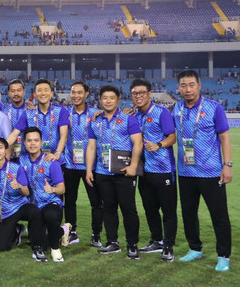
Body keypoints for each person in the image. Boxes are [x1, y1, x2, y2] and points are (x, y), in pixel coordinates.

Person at [173, 70, 232, 271]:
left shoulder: (214, 108)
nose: (187, 89)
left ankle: (223, 255)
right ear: (178, 88)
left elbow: (224, 138)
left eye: (191, 85)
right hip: (186, 172)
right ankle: (195, 249)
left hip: (211, 172)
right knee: (189, 213)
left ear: (199, 86)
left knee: (219, 215)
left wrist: (227, 165)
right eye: (183, 85)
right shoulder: (176, 108)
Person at [85, 85, 142, 259]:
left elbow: (137, 143)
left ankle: (132, 245)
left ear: (118, 100)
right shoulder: (95, 120)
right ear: (100, 101)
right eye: (104, 98)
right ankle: (113, 242)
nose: (108, 101)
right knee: (108, 208)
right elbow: (91, 147)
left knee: (128, 209)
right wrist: (89, 170)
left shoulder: (128, 119)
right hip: (103, 171)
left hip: (124, 171)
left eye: (112, 98)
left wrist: (133, 166)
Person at [130, 78, 177, 262]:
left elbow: (172, 137)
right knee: (150, 209)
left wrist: (159, 144)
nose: (138, 96)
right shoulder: (134, 115)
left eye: (142, 93)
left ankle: (168, 246)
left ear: (149, 94)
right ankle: (156, 240)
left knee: (168, 211)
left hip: (163, 169)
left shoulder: (161, 113)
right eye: (135, 93)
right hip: (145, 171)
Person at [0, 137, 47, 261]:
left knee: (35, 212)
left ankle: (37, 244)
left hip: (20, 204)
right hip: (6, 210)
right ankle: (17, 230)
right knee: (2, 247)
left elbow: (26, 192)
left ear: (6, 150)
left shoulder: (16, 168)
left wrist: (20, 186)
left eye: (1, 148)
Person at [19, 127, 69, 263]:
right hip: (32, 204)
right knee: (37, 239)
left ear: (42, 143)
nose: (32, 143)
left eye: (36, 140)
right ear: (24, 143)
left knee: (50, 215)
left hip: (49, 202)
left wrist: (52, 189)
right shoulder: (21, 160)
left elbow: (62, 188)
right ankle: (61, 231)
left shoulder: (51, 162)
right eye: (29, 141)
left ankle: (55, 248)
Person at [62, 81, 103, 247]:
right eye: (73, 92)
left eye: (80, 92)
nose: (76, 95)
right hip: (70, 164)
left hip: (90, 166)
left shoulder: (95, 113)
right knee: (70, 201)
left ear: (87, 94)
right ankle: (72, 232)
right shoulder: (64, 113)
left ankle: (96, 234)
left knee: (96, 202)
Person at [6, 78, 28, 159]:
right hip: (8, 153)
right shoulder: (3, 110)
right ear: (8, 93)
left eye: (19, 90)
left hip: (27, 155)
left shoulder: (31, 110)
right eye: (12, 91)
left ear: (24, 92)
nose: (16, 93)